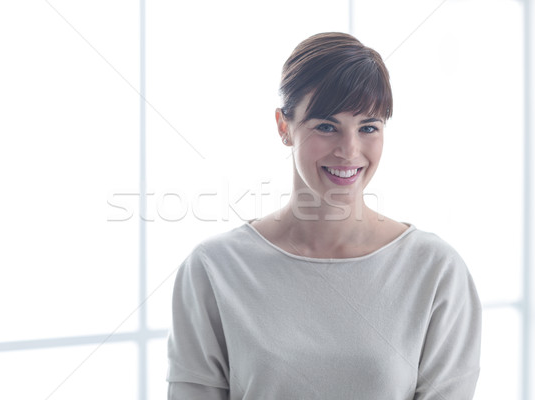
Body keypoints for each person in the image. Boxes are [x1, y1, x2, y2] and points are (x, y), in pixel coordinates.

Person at [166, 32, 481, 399]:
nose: (349, 150)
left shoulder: (436, 270)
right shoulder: (213, 268)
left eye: (368, 127)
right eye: (326, 126)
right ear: (284, 127)